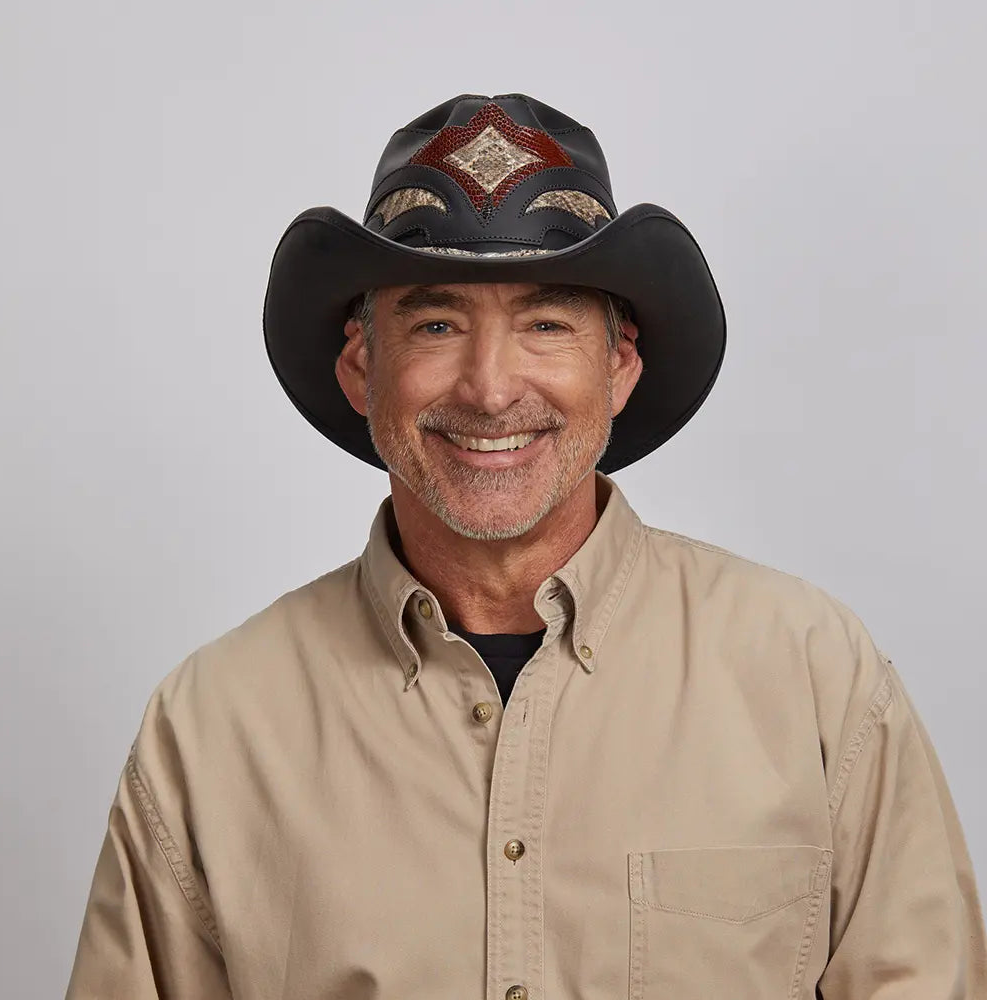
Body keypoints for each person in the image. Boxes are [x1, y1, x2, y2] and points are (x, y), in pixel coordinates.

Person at [66, 93, 986, 999]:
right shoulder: (213, 725)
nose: (492, 388)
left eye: (546, 323)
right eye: (436, 324)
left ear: (619, 364)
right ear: (361, 366)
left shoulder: (812, 676)